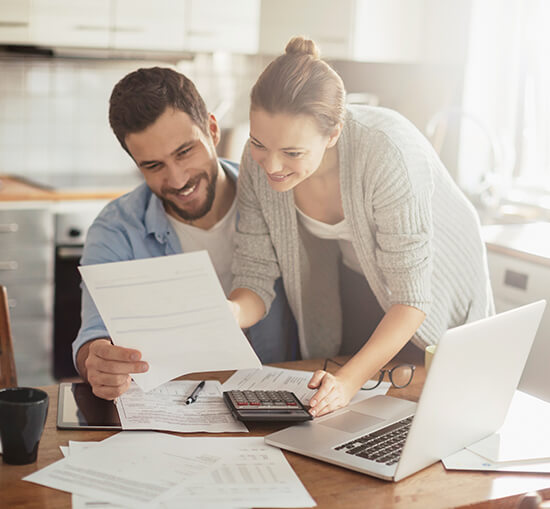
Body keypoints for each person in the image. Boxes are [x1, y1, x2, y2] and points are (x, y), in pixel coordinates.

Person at [229, 37, 494, 418]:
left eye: (292, 153)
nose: (270, 166)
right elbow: (254, 276)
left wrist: (348, 382)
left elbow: (411, 299)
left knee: (429, 400)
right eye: (258, 144)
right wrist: (229, 312)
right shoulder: (259, 162)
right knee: (353, 408)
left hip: (434, 281)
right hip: (360, 271)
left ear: (333, 133)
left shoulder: (388, 153)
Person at [73, 67, 297, 400]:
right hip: (173, 407)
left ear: (212, 128)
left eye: (184, 152)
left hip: (280, 400)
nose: (177, 180)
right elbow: (93, 336)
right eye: (153, 165)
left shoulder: (276, 198)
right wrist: (99, 361)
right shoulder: (116, 228)